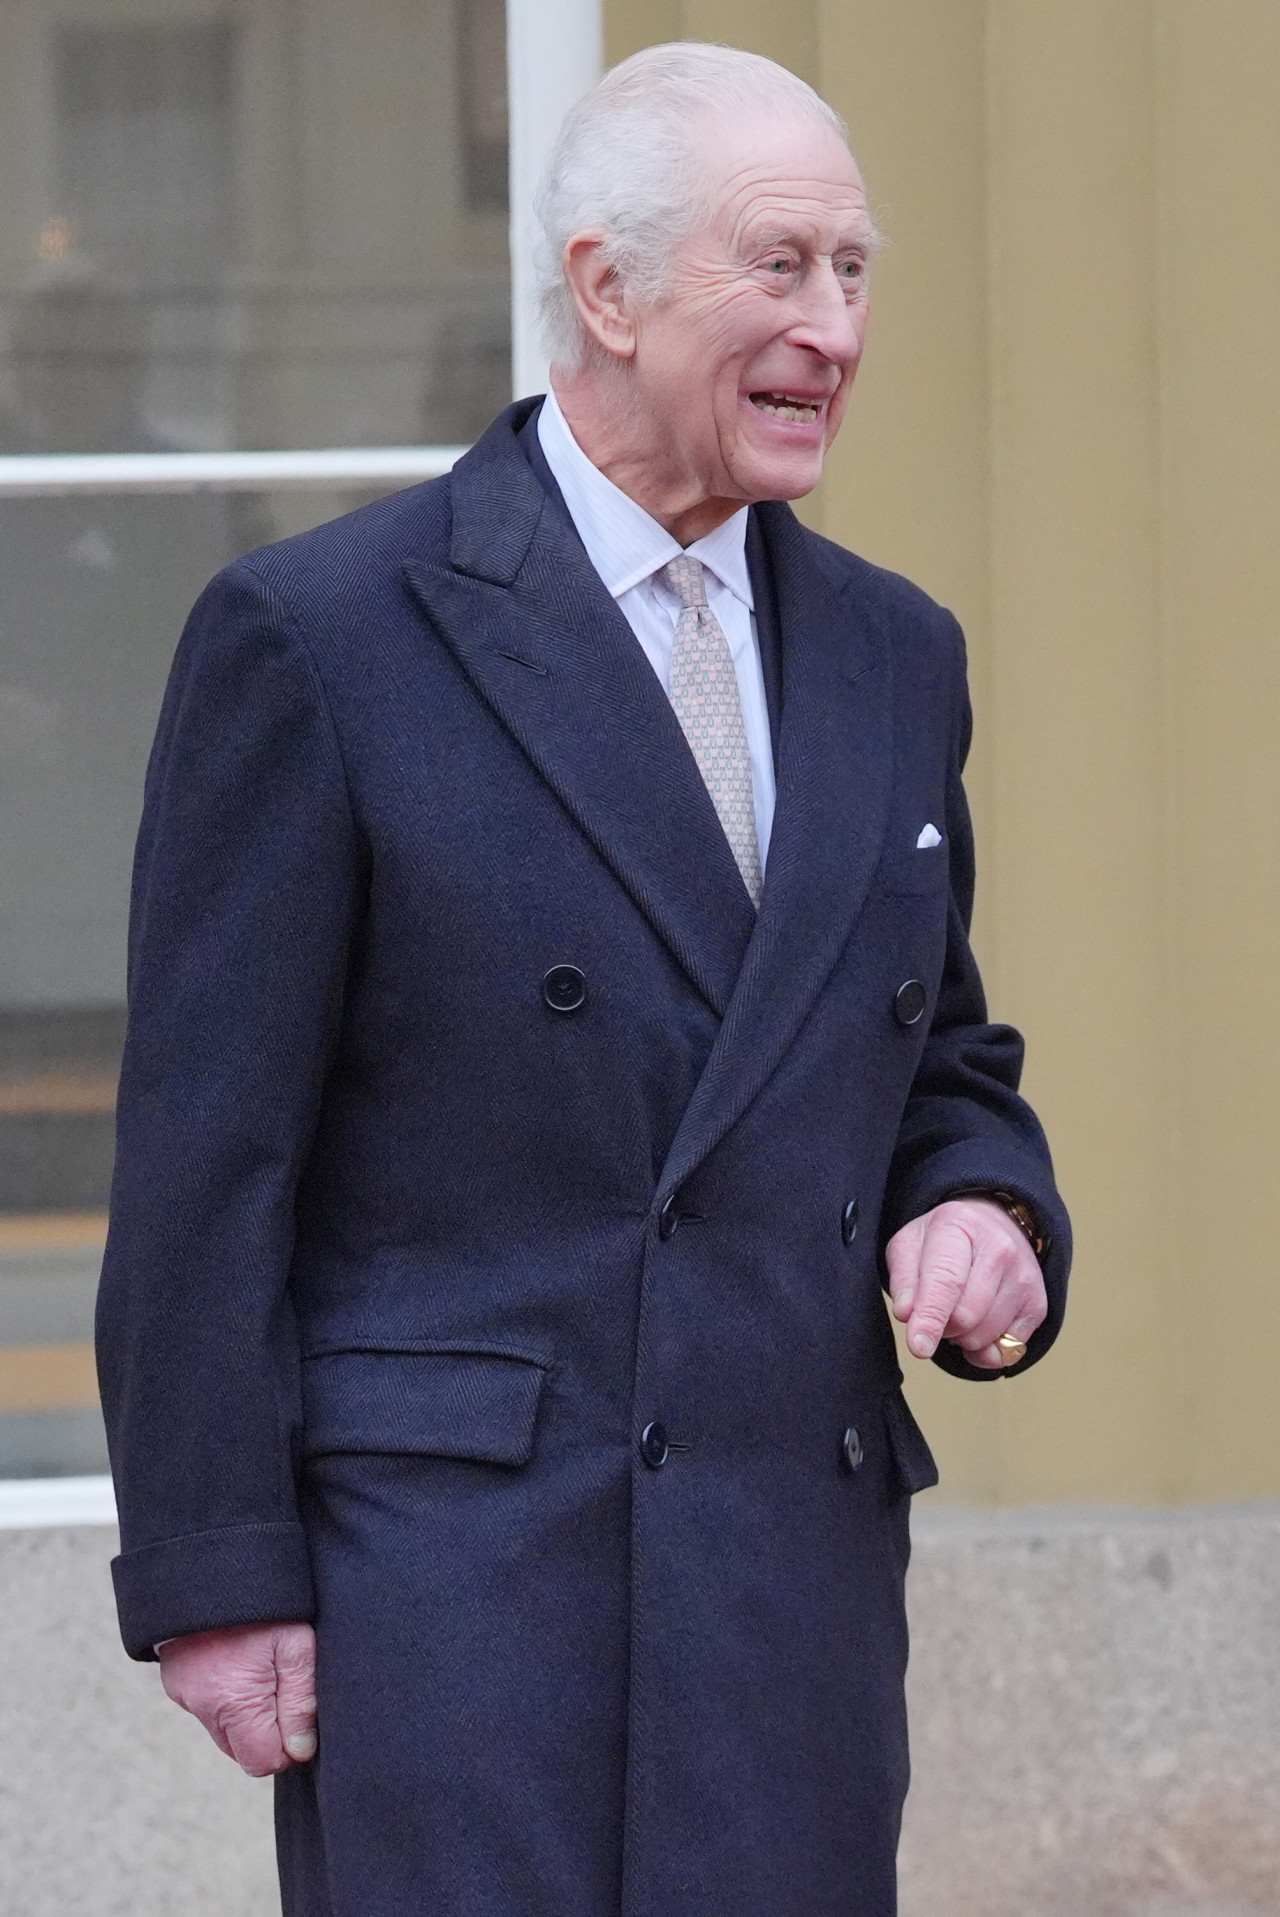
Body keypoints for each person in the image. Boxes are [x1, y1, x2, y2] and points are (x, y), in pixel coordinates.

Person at [96, 43, 1070, 1917]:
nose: (835, 327)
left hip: (789, 1583)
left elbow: (934, 1049)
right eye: (777, 266)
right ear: (605, 290)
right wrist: (219, 1570)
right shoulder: (325, 637)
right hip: (461, 1597)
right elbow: (209, 1152)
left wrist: (987, 1200)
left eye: (857, 271)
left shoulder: (893, 654)